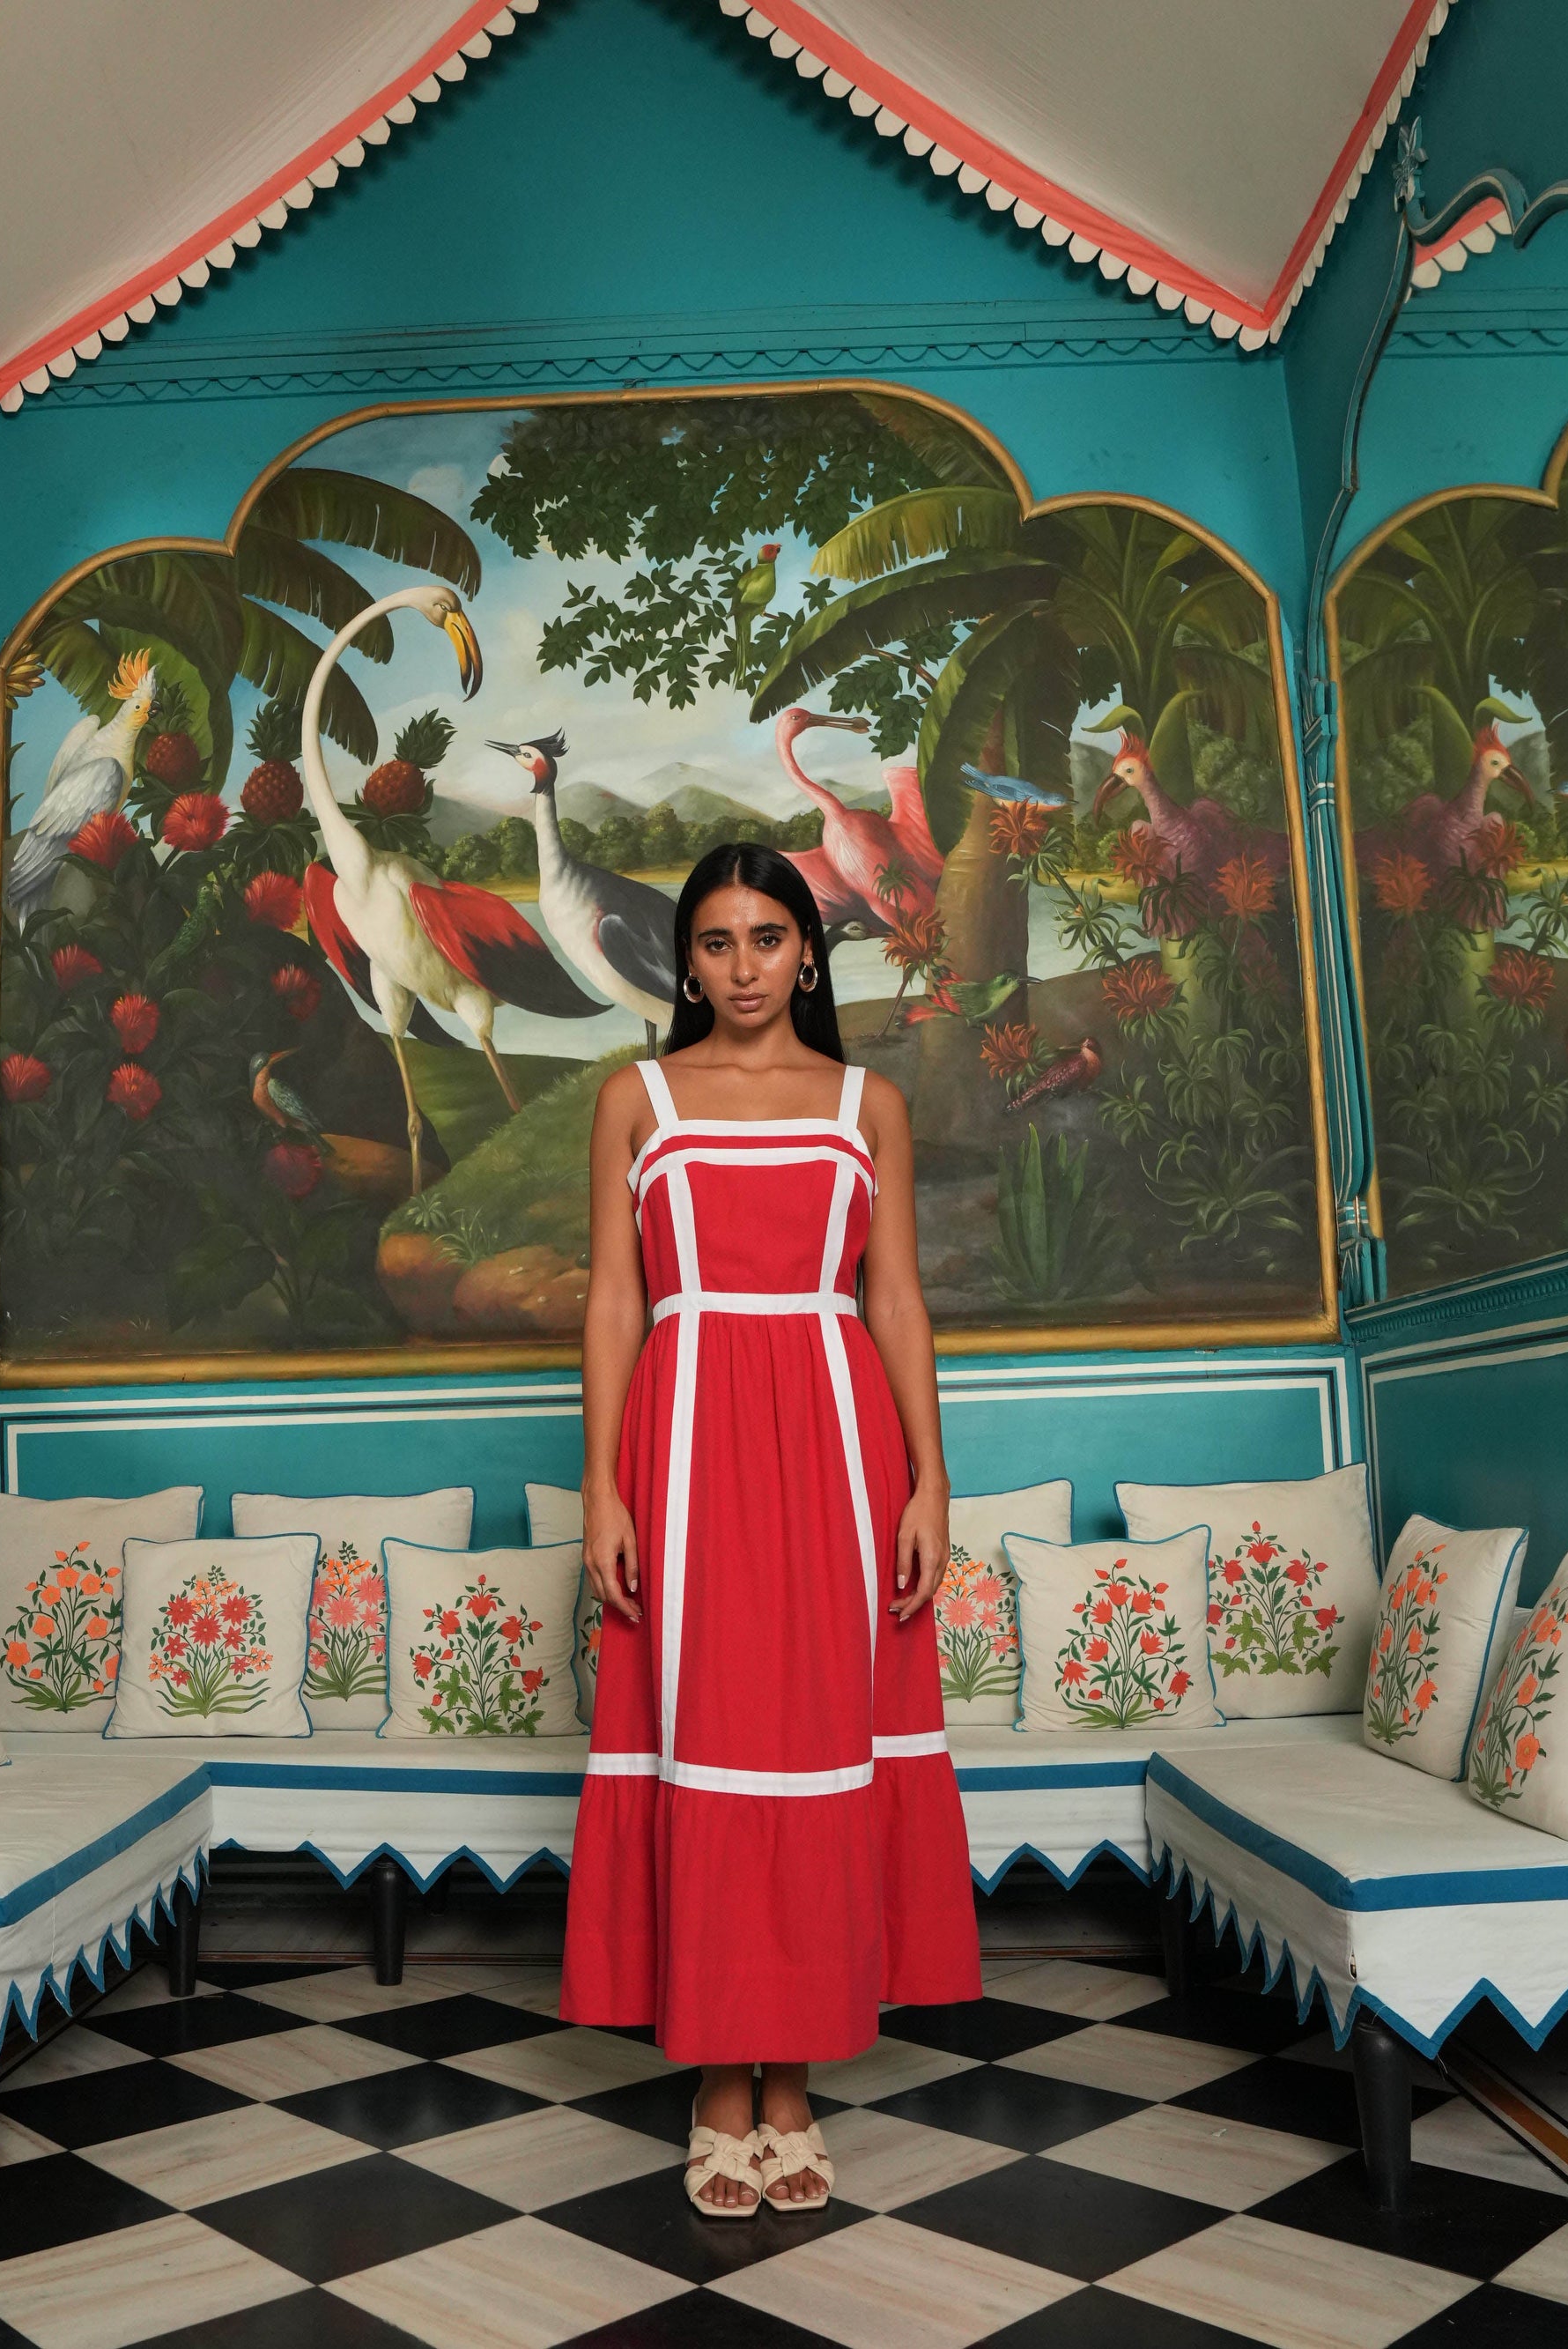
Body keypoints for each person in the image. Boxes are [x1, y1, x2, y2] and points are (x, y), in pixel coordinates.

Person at [560, 841, 981, 2216]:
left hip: (836, 1452)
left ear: (810, 949)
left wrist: (930, 1477)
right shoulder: (638, 1100)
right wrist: (600, 1487)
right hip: (681, 1453)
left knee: (815, 1742)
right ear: (684, 960)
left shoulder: (870, 1103)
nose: (743, 966)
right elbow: (615, 1304)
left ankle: (790, 2077)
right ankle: (714, 2077)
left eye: (768, 938)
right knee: (709, 1743)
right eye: (718, 942)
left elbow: (897, 1301)